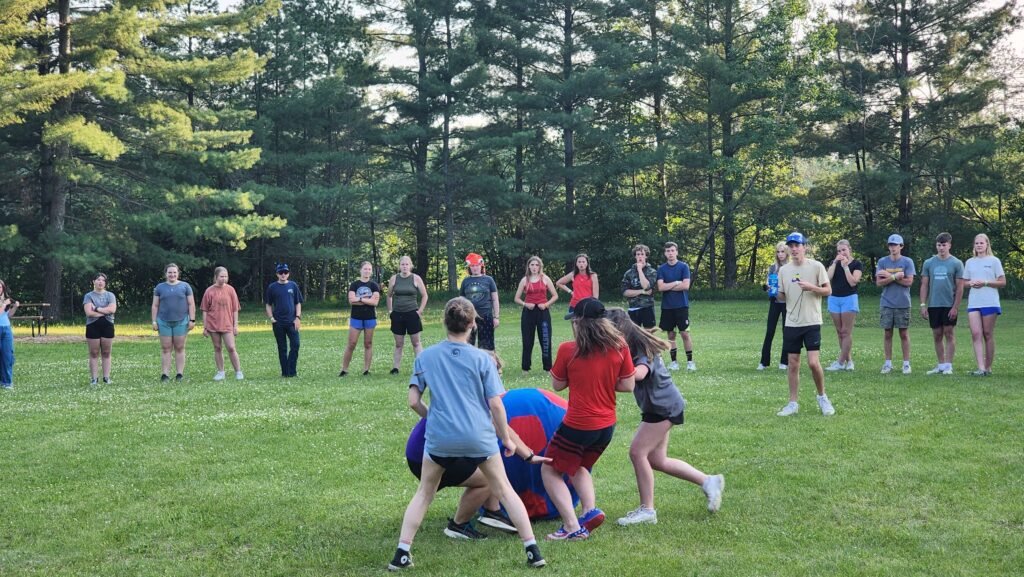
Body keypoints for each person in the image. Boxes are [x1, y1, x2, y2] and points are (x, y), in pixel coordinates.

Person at [388, 297, 546, 571]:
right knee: (504, 490)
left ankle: (402, 553)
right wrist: (507, 440)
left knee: (424, 494)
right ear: (473, 324)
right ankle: (532, 550)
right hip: (478, 438)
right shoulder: (483, 359)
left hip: (439, 439)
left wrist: (434, 418)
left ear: (444, 322)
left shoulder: (425, 356)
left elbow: (413, 401)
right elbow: (496, 405)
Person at [606, 308, 724, 525]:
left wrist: (608, 373)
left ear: (618, 330)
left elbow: (639, 374)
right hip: (660, 406)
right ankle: (708, 481)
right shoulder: (632, 345)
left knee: (637, 453)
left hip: (663, 407)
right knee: (657, 460)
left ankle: (647, 510)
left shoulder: (640, 347)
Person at [404, 388, 574, 538]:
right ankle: (459, 525)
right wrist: (528, 455)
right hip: (430, 451)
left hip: (423, 448)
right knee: (487, 480)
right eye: (496, 371)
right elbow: (500, 426)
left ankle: (492, 511)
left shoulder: (458, 385)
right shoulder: (478, 392)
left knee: (487, 467)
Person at [541, 298, 636, 541]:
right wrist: (604, 380)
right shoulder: (620, 346)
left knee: (550, 469)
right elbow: (628, 385)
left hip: (578, 424)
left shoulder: (568, 349)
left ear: (579, 322)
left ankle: (571, 526)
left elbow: (557, 385)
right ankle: (589, 512)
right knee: (579, 466)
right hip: (606, 426)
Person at [775, 232, 835, 417]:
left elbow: (828, 291)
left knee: (813, 363)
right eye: (791, 246)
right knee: (793, 364)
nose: (793, 249)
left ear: (804, 247)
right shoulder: (784, 270)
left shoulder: (816, 266)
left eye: (797, 246)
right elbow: (782, 297)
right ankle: (793, 403)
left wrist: (812, 288)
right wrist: (774, 292)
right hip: (792, 322)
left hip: (812, 321)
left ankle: (822, 397)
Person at [919, 233, 964, 376]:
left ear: (949, 245)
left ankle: (948, 366)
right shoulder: (928, 263)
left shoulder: (957, 263)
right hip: (934, 304)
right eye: (939, 245)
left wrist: (955, 307)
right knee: (937, 335)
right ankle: (941, 365)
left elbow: (960, 287)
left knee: (949, 333)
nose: (941, 248)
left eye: (944, 245)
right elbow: (924, 285)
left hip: (949, 304)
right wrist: (923, 304)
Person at [963, 233, 1006, 376]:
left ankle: (988, 367)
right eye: (977, 243)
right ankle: (980, 368)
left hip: (990, 302)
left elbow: (1002, 282)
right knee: (976, 333)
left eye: (981, 243)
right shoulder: (970, 262)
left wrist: (985, 283)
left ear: (987, 244)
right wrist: (970, 283)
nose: (979, 245)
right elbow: (964, 282)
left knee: (987, 333)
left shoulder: (994, 261)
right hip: (974, 302)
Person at [876, 234, 915, 374]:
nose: (893, 247)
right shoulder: (882, 262)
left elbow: (909, 282)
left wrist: (889, 276)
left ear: (901, 246)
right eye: (890, 245)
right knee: (887, 333)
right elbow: (879, 282)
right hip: (886, 302)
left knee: (903, 333)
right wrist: (894, 276)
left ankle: (906, 364)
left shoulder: (907, 262)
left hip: (903, 302)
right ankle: (888, 363)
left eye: (895, 245)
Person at [151, 263, 196, 382]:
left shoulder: (185, 286)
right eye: (170, 272)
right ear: (166, 274)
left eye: (174, 272)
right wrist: (154, 321)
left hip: (181, 321)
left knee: (179, 347)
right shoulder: (160, 287)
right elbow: (155, 305)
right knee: (166, 348)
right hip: (163, 322)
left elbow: (191, 304)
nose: (172, 274)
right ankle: (165, 374)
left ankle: (179, 374)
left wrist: (192, 319)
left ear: (178, 273)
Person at [513, 256, 558, 372]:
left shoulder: (545, 279)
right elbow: (516, 298)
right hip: (528, 312)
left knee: (545, 340)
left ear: (540, 267)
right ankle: (525, 368)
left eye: (537, 265)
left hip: (543, 312)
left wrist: (546, 304)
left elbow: (555, 296)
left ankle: (548, 368)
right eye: (532, 265)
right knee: (527, 340)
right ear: (529, 266)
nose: (534, 267)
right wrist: (525, 304)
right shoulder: (524, 280)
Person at [824, 240, 863, 371]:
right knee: (840, 332)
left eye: (844, 250)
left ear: (849, 249)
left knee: (846, 331)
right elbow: (827, 278)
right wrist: (835, 263)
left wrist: (846, 267)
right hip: (834, 298)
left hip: (849, 298)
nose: (841, 253)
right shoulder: (834, 263)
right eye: (839, 251)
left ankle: (840, 362)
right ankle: (849, 361)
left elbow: (853, 282)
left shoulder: (857, 264)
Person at [656, 241, 696, 371]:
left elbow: (686, 286)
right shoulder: (661, 269)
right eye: (668, 251)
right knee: (671, 335)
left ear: (677, 252)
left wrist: (669, 286)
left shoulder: (684, 267)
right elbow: (661, 287)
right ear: (665, 253)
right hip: (667, 307)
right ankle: (674, 363)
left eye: (672, 250)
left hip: (681, 306)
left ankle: (690, 362)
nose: (670, 253)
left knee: (684, 334)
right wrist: (676, 282)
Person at [387, 255, 429, 375]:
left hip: (412, 313)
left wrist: (419, 311)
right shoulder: (394, 279)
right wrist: (390, 311)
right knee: (398, 343)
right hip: (397, 314)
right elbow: (389, 296)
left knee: (416, 342)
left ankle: (420, 368)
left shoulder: (416, 278)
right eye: (402, 264)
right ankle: (395, 368)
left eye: (407, 264)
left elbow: (425, 296)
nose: (405, 266)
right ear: (399, 266)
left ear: (410, 266)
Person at [201, 266, 243, 381]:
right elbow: (205, 310)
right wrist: (205, 327)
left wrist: (235, 325)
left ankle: (238, 371)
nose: (224, 279)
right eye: (221, 276)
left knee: (231, 347)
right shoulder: (209, 291)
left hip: (227, 324)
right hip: (213, 324)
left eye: (226, 276)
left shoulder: (231, 290)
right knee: (217, 347)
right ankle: (221, 372)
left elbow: (235, 309)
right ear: (216, 277)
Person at [340, 261, 381, 376]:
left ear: (371, 271)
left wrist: (360, 299)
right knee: (351, 343)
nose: (367, 271)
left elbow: (375, 302)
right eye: (365, 269)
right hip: (356, 317)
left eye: (369, 269)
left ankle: (366, 370)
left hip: (370, 318)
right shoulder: (354, 284)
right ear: (361, 270)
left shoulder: (374, 285)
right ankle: (344, 369)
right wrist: (367, 299)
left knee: (368, 343)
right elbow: (351, 301)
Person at [265, 263, 303, 378]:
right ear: (277, 274)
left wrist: (298, 317)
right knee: (282, 348)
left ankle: (292, 371)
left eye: (285, 272)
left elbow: (298, 303)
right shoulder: (272, 287)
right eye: (281, 272)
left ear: (288, 274)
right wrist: (271, 318)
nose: (283, 274)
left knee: (296, 344)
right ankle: (285, 373)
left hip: (292, 322)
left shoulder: (293, 286)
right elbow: (268, 304)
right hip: (278, 323)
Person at [758, 242, 790, 370]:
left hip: (787, 303)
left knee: (786, 332)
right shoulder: (773, 267)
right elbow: (768, 283)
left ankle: (784, 362)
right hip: (775, 302)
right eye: (778, 252)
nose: (780, 254)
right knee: (770, 331)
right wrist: (767, 288)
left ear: (787, 253)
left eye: (782, 252)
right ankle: (763, 362)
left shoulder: (791, 267)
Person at [459, 253, 499, 350]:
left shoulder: (489, 280)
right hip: (469, 317)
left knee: (487, 347)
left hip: (486, 315)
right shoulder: (465, 281)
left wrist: (496, 317)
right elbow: (461, 301)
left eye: (477, 265)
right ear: (469, 267)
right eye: (472, 266)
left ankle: (487, 360)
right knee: (468, 345)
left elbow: (495, 299)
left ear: (481, 266)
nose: (475, 268)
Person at [83, 273, 117, 385]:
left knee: (106, 352)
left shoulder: (110, 295)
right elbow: (89, 313)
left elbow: (112, 310)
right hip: (92, 326)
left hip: (108, 325)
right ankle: (94, 379)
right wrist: (105, 312)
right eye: (98, 279)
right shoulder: (88, 296)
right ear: (94, 281)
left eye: (103, 280)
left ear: (105, 283)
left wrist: (97, 308)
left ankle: (106, 378)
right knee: (94, 353)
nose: (100, 282)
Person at [620, 244, 658, 330]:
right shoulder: (629, 273)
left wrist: (640, 270)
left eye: (642, 254)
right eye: (638, 254)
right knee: (633, 334)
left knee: (649, 334)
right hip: (633, 308)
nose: (640, 256)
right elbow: (625, 292)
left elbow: (647, 287)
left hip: (647, 307)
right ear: (635, 256)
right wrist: (642, 291)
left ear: (646, 256)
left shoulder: (652, 272)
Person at [555, 253, 599, 320]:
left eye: (583, 262)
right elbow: (559, 283)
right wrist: (570, 291)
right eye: (579, 262)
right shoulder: (573, 274)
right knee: (576, 326)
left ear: (587, 263)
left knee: (588, 326)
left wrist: (592, 306)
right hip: (574, 305)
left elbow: (595, 296)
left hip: (588, 306)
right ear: (576, 264)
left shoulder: (593, 276)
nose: (581, 264)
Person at [0, 279, 19, 390]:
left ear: (3, 288)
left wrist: (15, 307)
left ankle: (7, 382)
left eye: (0, 287)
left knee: (7, 356)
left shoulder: (5, 300)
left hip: (6, 329)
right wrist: (4, 305)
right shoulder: (4, 303)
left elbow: (8, 315)